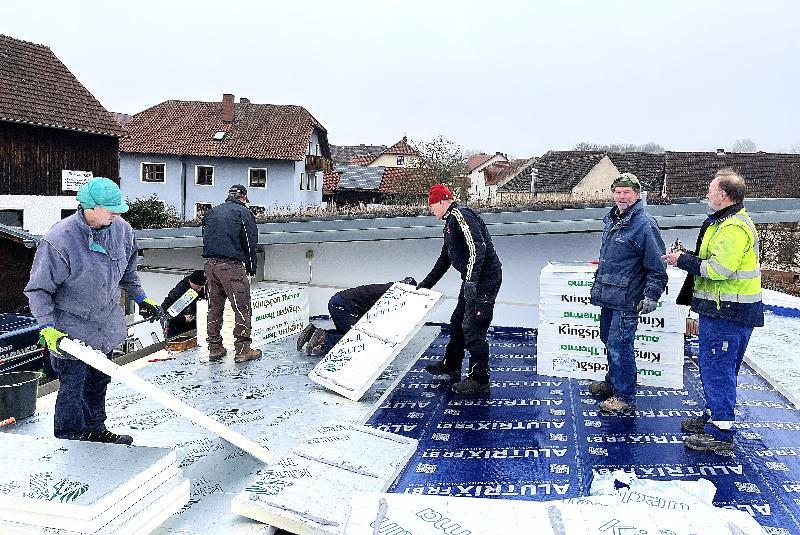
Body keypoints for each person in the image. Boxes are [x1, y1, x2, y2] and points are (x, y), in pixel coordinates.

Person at [25, 177, 161, 445]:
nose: (117, 213)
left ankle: (97, 430)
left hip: (105, 326)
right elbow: (38, 290)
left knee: (99, 382)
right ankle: (71, 439)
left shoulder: (122, 231)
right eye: (110, 209)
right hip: (70, 332)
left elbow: (129, 273)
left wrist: (142, 298)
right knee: (72, 387)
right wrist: (48, 327)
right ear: (90, 207)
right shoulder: (58, 240)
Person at [663, 168, 763, 452]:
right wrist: (687, 257)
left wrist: (684, 261)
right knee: (716, 367)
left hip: (729, 313)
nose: (707, 194)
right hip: (725, 311)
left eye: (710, 190)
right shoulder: (724, 223)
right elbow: (711, 259)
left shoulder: (733, 228)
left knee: (718, 369)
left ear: (723, 195)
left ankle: (720, 432)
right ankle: (713, 415)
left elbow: (719, 270)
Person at [588, 173, 668, 415]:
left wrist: (651, 295)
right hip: (609, 295)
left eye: (627, 192)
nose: (622, 197)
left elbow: (657, 265)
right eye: (618, 192)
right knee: (608, 341)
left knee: (620, 346)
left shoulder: (644, 224)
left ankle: (624, 397)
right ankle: (613, 382)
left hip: (628, 299)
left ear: (637, 194)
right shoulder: (612, 221)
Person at [419, 184, 503, 395]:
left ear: (440, 202)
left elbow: (478, 246)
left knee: (473, 327)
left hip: (484, 280)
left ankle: (480, 379)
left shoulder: (460, 215)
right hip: (472, 280)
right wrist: (425, 285)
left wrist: (472, 281)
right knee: (458, 321)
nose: (430, 210)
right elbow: (444, 259)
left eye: (431, 205)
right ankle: (451, 364)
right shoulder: (449, 223)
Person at [202, 184, 261, 363]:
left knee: (214, 307)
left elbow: (205, 237)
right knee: (242, 308)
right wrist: (251, 267)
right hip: (232, 267)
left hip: (210, 266)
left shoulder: (211, 212)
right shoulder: (243, 213)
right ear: (243, 198)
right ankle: (243, 350)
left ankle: (215, 348)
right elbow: (250, 243)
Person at [298, 277, 417, 355]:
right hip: (345, 306)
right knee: (358, 339)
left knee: (347, 333)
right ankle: (324, 339)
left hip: (338, 301)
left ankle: (312, 332)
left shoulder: (390, 287)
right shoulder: (395, 293)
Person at [161, 270, 206, 338]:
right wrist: (183, 318)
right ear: (192, 283)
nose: (200, 290)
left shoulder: (199, 289)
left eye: (201, 287)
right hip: (176, 327)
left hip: (192, 325)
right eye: (198, 287)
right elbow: (164, 310)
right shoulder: (178, 291)